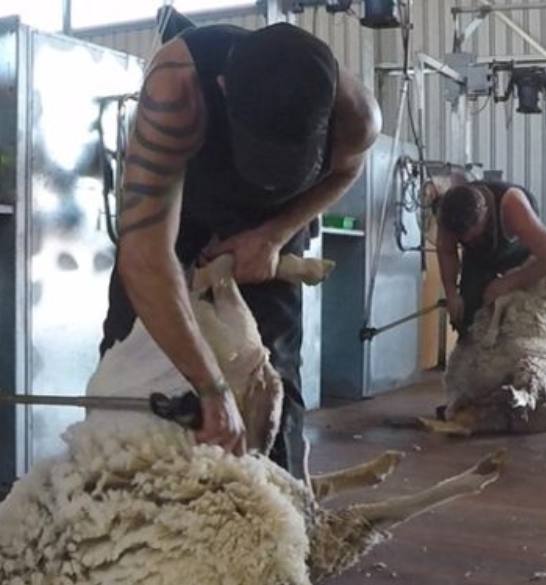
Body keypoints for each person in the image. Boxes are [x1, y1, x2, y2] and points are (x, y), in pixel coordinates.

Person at [98, 21, 381, 478]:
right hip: (182, 200)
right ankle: (120, 504)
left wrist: (272, 236)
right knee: (128, 348)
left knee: (273, 375)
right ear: (223, 89)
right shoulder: (177, 91)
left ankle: (282, 525)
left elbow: (345, 171)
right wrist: (210, 387)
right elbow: (146, 255)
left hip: (275, 218)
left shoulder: (357, 113)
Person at [434, 180, 546, 336]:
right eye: (463, 238)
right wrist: (451, 293)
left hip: (518, 254)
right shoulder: (448, 215)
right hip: (479, 257)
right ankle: (470, 350)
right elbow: (447, 251)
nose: (468, 240)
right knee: (468, 313)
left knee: (519, 317)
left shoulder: (513, 207)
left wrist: (508, 282)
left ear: (485, 212)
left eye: (474, 234)